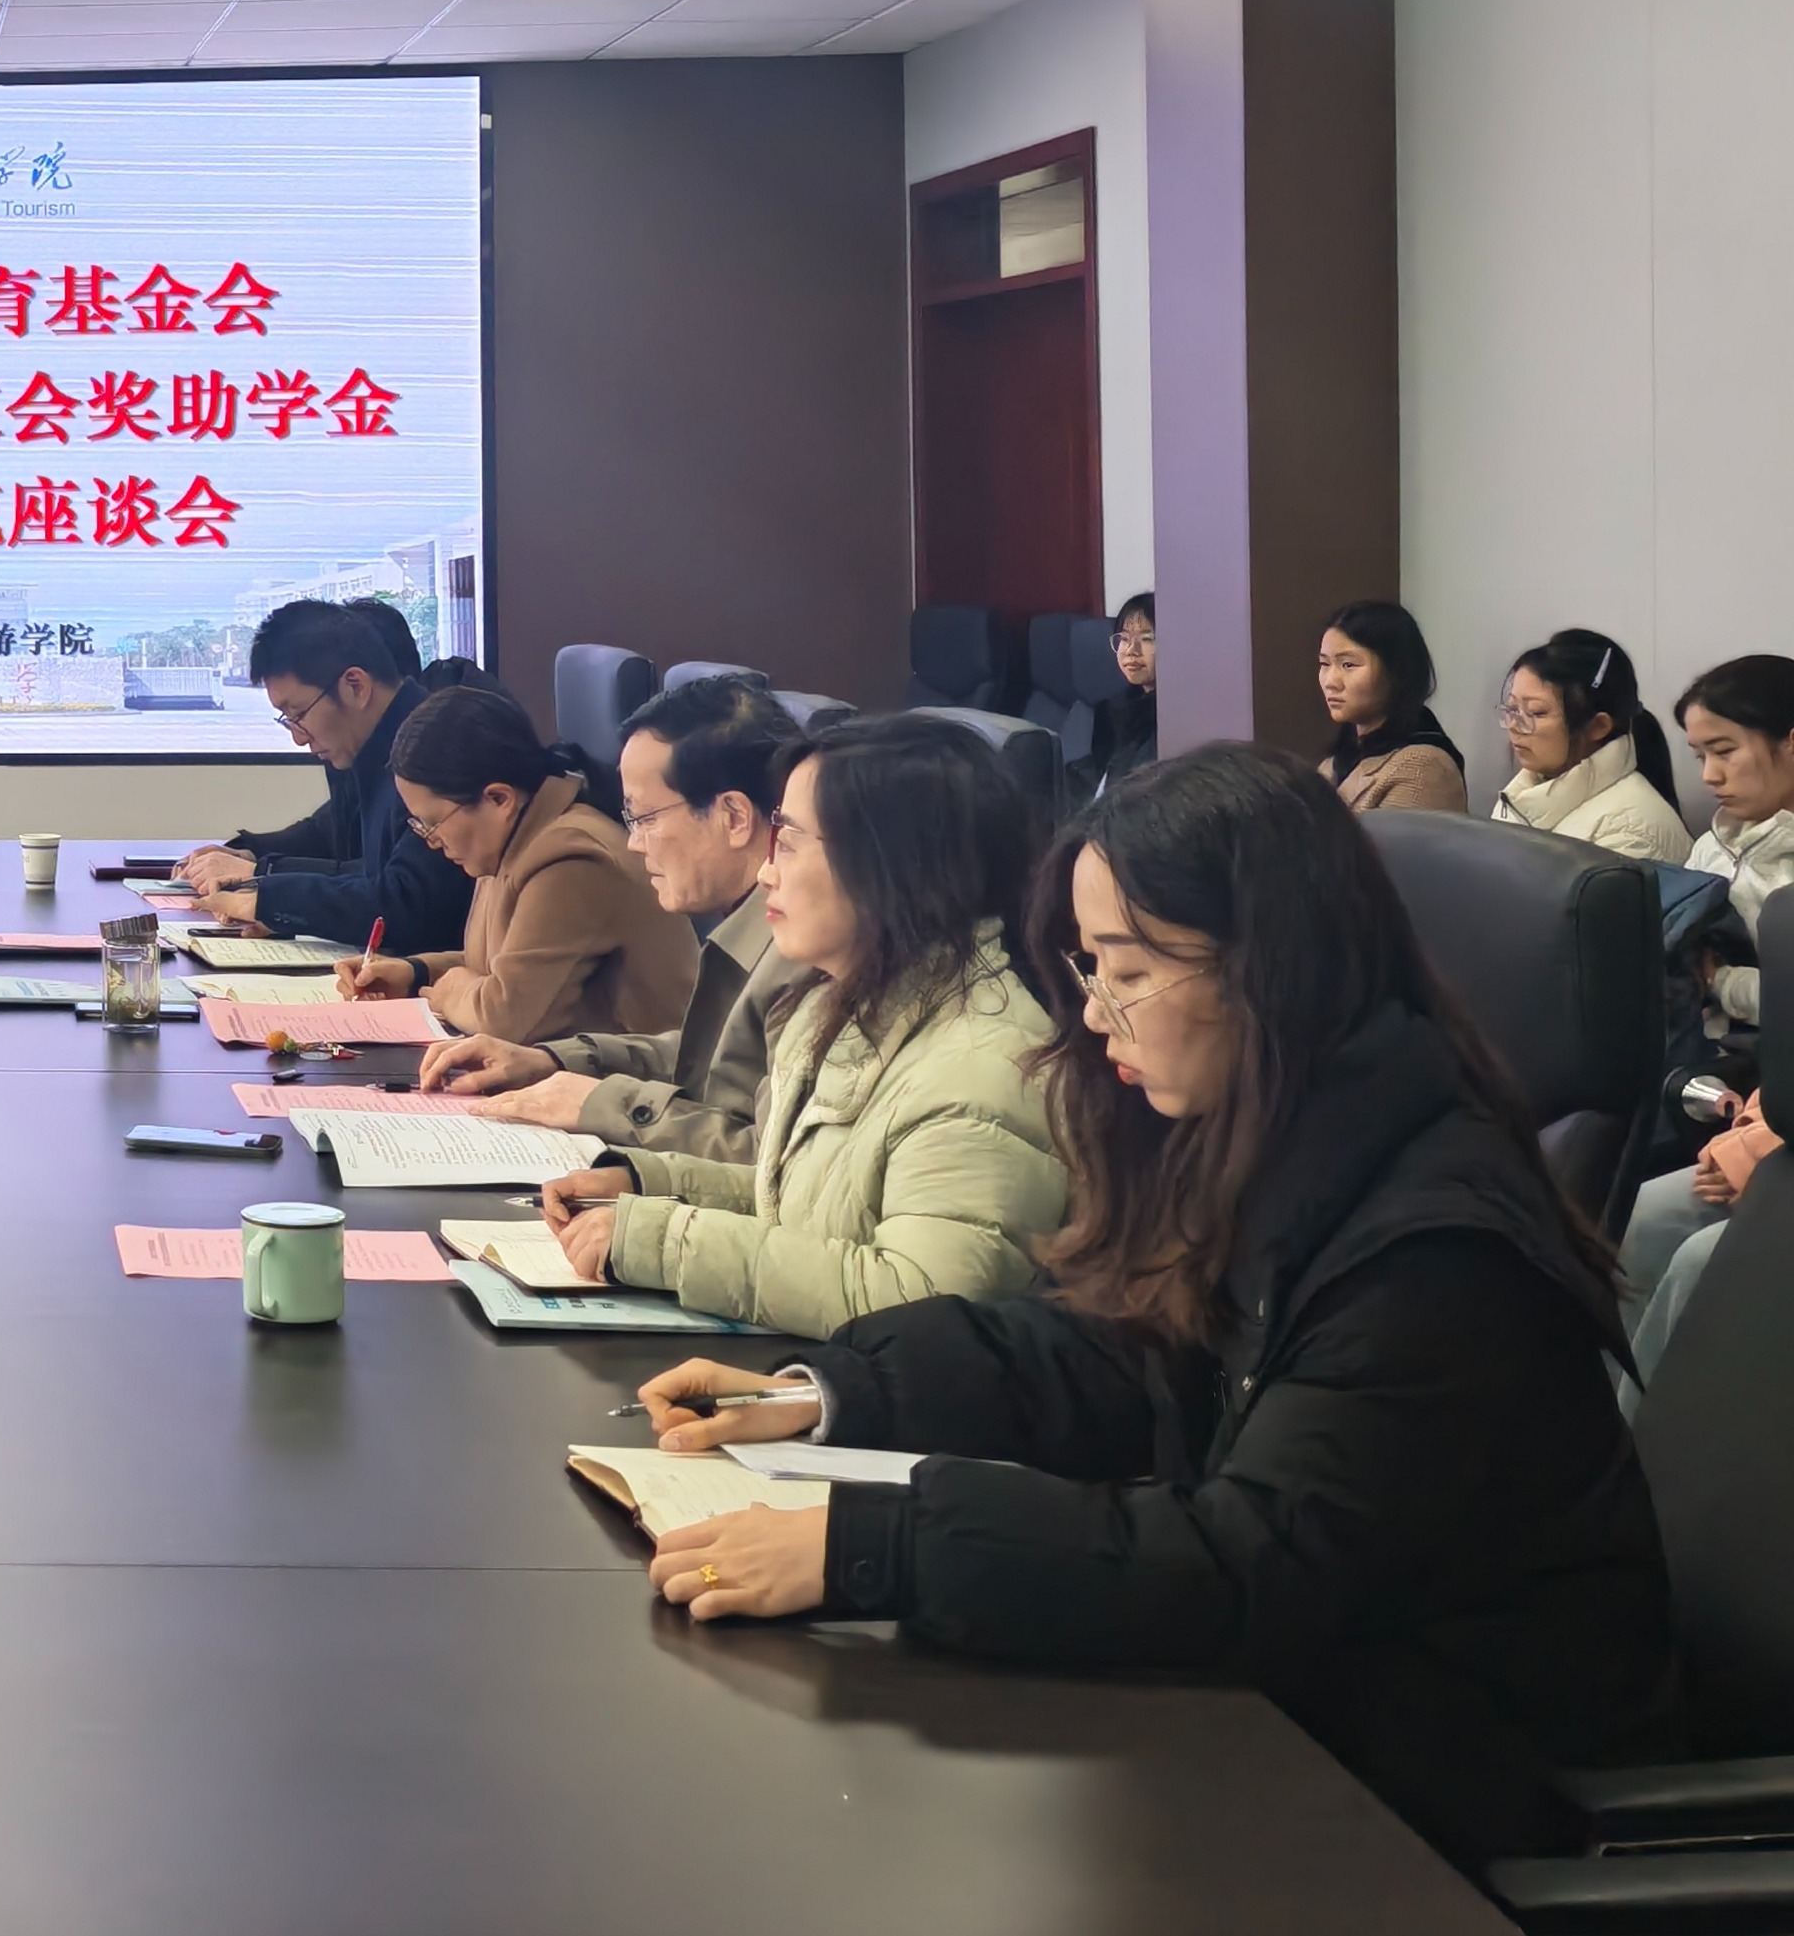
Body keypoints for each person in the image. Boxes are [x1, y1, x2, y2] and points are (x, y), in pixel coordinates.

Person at [625, 744, 1682, 1867]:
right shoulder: (1277, 1133)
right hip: (1307, 1725)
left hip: (1446, 1812)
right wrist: (840, 1390)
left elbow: (1250, 1562)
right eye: (1087, 968)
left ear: (1267, 970)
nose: (1093, 1016)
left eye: (1126, 972)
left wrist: (877, 1544)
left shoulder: (1435, 1255)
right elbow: (1134, 1356)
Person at [531, 714, 1066, 1335]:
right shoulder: (839, 1001)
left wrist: (664, 1241)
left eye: (786, 843)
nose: (766, 873)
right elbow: (801, 1208)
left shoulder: (985, 1068)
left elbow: (918, 1300)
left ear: (890, 863)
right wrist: (648, 1181)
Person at [420, 675, 803, 1163]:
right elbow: (702, 1057)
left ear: (734, 817)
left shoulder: (804, 952)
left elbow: (772, 1159)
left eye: (645, 818)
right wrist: (550, 1061)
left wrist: (600, 1103)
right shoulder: (746, 926)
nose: (634, 843)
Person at [338, 683, 691, 1043]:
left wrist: (449, 991)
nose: (431, 840)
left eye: (433, 823)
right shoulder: (512, 835)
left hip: (635, 1072)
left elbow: (504, 1018)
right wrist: (415, 973)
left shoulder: (572, 859)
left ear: (498, 799)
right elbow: (495, 964)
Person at [180, 600, 477, 950]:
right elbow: (336, 839)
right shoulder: (369, 743)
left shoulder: (435, 745)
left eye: (298, 714)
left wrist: (270, 896)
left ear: (355, 686)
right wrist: (254, 856)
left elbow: (408, 903)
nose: (298, 737)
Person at [1488, 629, 1689, 863]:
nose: (1514, 725)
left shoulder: (1631, 830)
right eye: (1512, 709)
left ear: (1598, 726)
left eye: (1536, 712)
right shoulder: (1522, 791)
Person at [1674, 653, 1794, 1036]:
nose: (1709, 775)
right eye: (1701, 756)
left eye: (1724, 751)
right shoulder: (1711, 845)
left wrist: (1723, 983)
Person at [1618, 1088, 1769, 1383]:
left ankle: (1663, 1408)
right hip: (1777, 1146)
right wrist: (1746, 1137)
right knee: (1643, 1217)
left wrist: (1755, 1159)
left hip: (1777, 1162)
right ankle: (1618, 1398)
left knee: (1702, 1258)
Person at [1317, 599, 1466, 814]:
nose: (1330, 681)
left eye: (1348, 665)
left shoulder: (1422, 766)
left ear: (1396, 671)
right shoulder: (1337, 760)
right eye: (1324, 664)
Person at [1085, 591, 1159, 795]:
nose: (1131, 650)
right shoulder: (1113, 710)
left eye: (1147, 638)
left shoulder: (1171, 716)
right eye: (1125, 638)